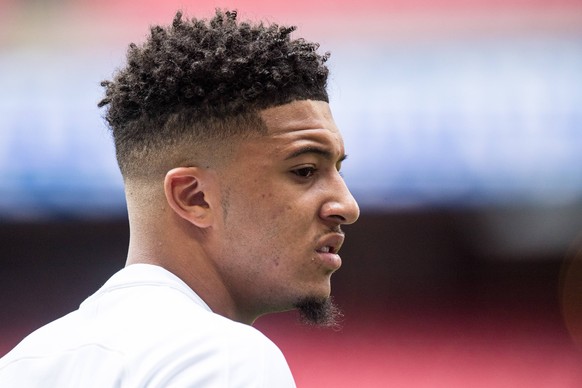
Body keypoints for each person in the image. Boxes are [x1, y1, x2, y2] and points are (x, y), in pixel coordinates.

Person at [0, 9, 359, 387]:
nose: (347, 206)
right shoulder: (225, 358)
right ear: (194, 197)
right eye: (304, 171)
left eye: (338, 169)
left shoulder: (22, 365)